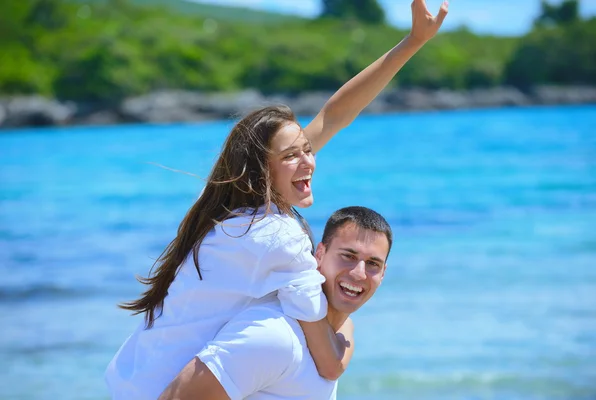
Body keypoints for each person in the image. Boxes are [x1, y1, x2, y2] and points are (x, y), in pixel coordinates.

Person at [105, 1, 448, 398]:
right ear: (261, 172)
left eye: (307, 150)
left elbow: (334, 115)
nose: (309, 161)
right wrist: (348, 333)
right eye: (292, 156)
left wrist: (412, 42)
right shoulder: (276, 237)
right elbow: (329, 359)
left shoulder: (225, 202)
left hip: (136, 375)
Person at [159, 206, 393, 400]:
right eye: (348, 256)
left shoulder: (337, 337)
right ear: (319, 254)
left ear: (383, 274)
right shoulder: (275, 335)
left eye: (373, 263)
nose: (359, 273)